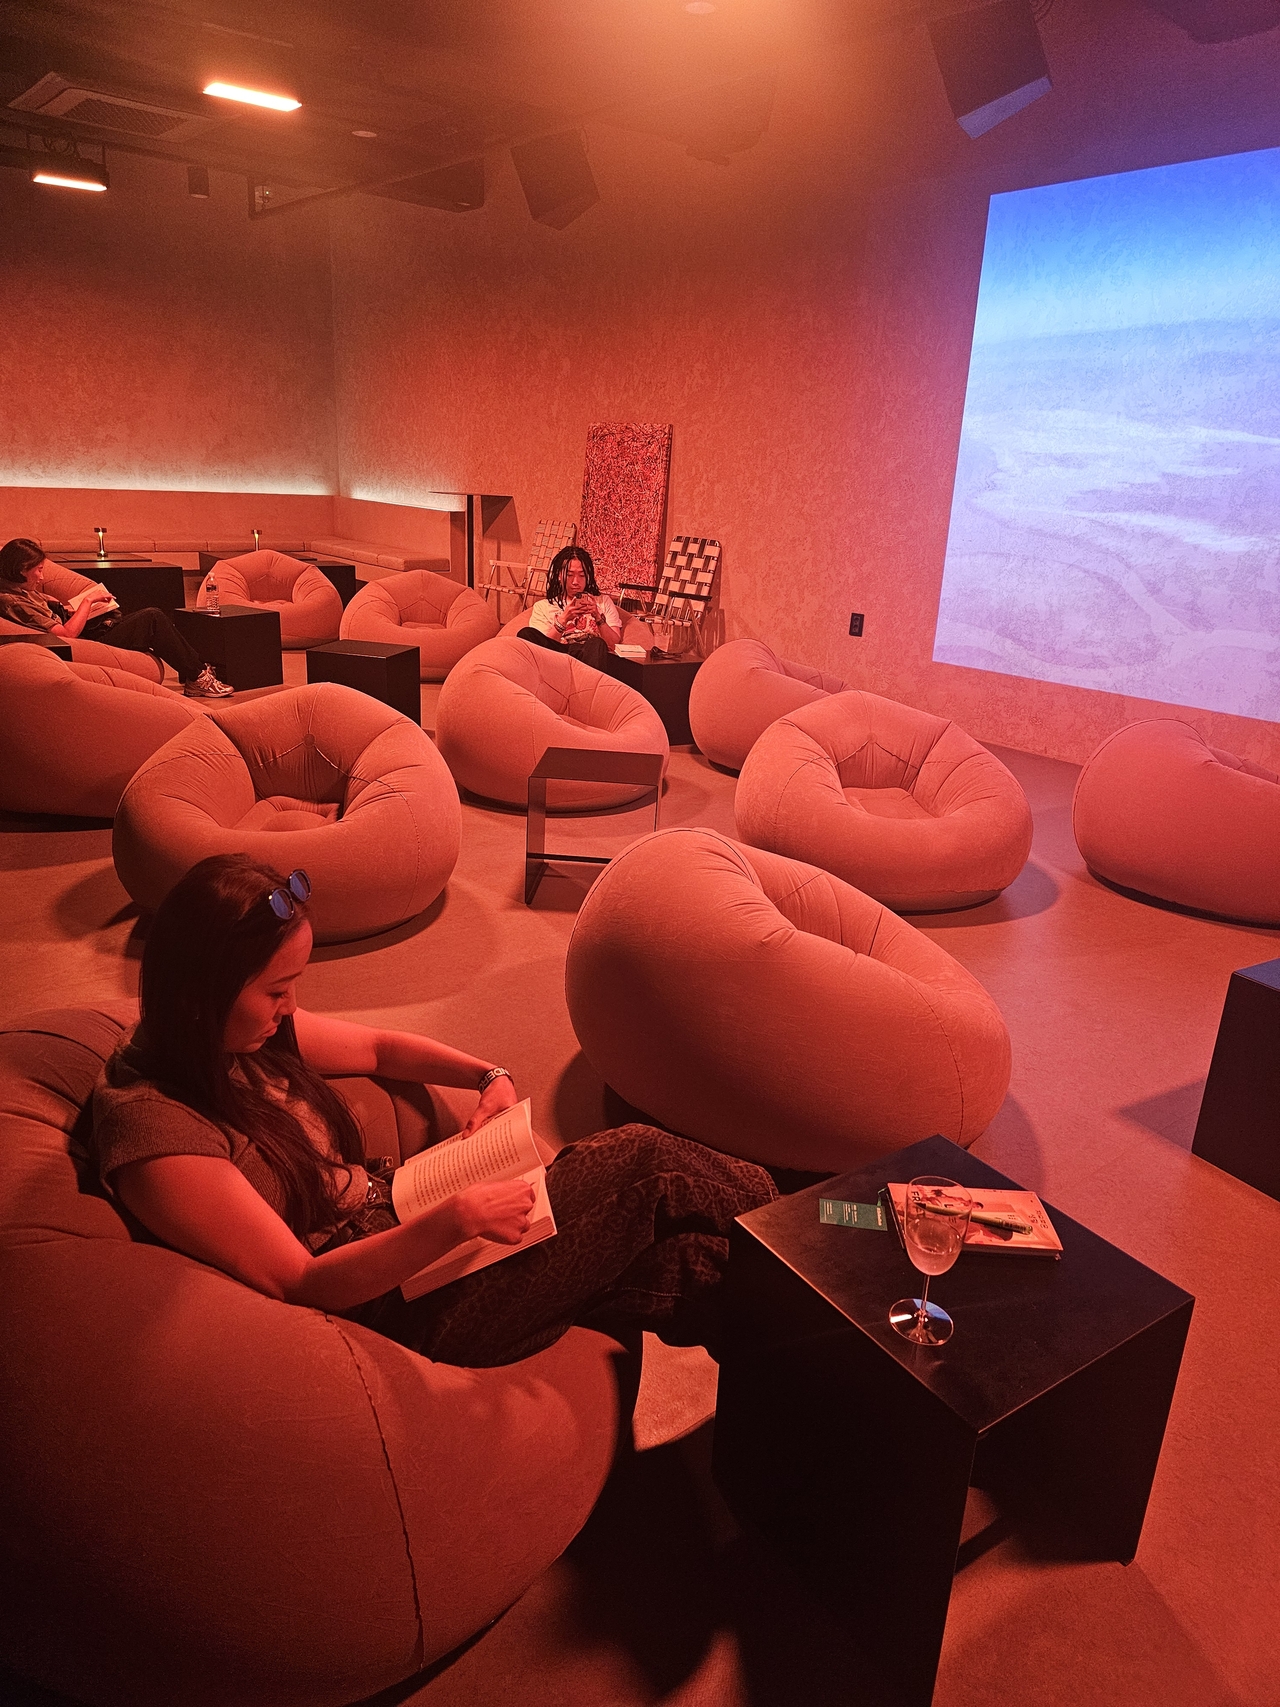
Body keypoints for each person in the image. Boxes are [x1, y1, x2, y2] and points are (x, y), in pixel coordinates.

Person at [91, 854, 777, 1367]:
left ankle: (812, 1369)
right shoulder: (155, 1129)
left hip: (401, 1213)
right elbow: (299, 1282)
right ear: (203, 993)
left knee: (695, 1263)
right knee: (643, 1161)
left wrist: (489, 1075)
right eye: (277, 990)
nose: (291, 1007)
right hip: (403, 1309)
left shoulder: (234, 1037)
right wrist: (455, 1220)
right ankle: (829, 1221)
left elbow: (381, 1048)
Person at [0, 537, 233, 698]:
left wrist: (73, 606)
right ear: (22, 569)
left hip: (87, 629)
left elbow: (52, 611)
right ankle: (198, 676)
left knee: (147, 619)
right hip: (84, 643)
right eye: (39, 570)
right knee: (153, 618)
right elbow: (67, 634)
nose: (42, 577)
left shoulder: (20, 589)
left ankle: (197, 671)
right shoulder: (14, 601)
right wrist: (87, 602)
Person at [517, 545, 623, 673]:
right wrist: (563, 620)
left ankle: (588, 685)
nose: (575, 582)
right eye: (570, 575)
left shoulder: (603, 602)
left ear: (588, 577)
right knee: (525, 634)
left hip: (588, 656)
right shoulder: (543, 606)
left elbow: (614, 644)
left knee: (597, 643)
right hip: (557, 656)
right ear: (559, 575)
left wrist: (598, 617)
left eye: (582, 575)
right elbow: (540, 649)